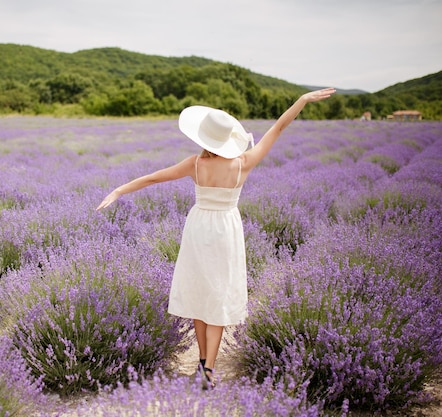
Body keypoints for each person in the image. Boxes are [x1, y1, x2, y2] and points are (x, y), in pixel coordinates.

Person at [96, 88, 336, 389]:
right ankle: (209, 368)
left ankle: (201, 363)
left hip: (199, 228)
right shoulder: (243, 163)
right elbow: (278, 127)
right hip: (226, 229)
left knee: (199, 292)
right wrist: (302, 100)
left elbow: (154, 177)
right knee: (219, 294)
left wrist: (118, 191)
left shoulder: (195, 164)